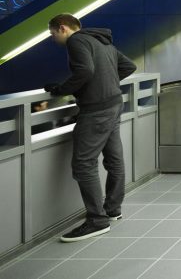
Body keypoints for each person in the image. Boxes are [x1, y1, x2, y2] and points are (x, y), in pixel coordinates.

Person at [45, 14, 136, 242]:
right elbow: (129, 66)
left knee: (84, 164)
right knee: (114, 159)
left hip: (96, 110)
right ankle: (112, 210)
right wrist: (107, 82)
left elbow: (85, 71)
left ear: (63, 28)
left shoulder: (76, 41)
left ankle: (97, 220)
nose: (53, 38)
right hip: (114, 104)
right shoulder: (101, 41)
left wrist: (61, 90)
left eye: (52, 34)